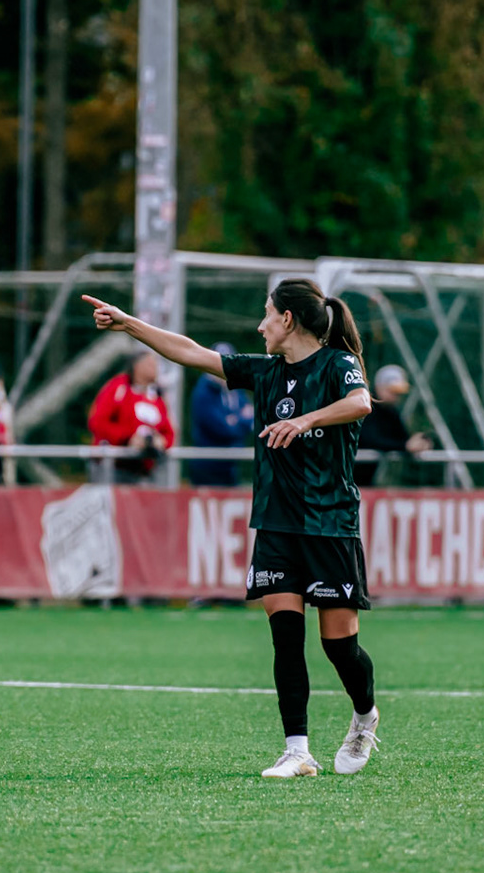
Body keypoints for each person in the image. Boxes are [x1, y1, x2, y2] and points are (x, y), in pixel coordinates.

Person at [84, 279, 381, 779]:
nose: (259, 324)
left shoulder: (337, 364)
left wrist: (305, 421)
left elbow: (361, 403)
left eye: (266, 314)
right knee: (285, 637)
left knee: (339, 647)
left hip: (332, 525)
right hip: (276, 524)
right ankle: (297, 751)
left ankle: (365, 715)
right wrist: (129, 324)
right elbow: (191, 353)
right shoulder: (263, 371)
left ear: (288, 320)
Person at [87, 350, 175, 483]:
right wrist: (128, 438)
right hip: (113, 467)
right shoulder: (118, 388)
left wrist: (161, 441)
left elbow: (169, 432)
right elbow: (97, 422)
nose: (156, 368)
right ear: (137, 366)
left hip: (144, 470)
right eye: (150, 364)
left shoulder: (156, 395)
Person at [355, 365, 433, 487]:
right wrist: (405, 446)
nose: (397, 397)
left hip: (364, 479)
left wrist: (419, 442)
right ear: (379, 387)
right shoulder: (365, 408)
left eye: (398, 393)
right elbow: (370, 440)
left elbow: (402, 437)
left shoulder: (391, 412)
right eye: (392, 391)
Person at [188, 342, 253, 486]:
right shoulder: (203, 391)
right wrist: (241, 420)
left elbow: (253, 420)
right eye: (219, 361)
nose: (223, 367)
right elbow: (222, 429)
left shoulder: (235, 387)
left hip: (231, 465)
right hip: (208, 466)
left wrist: (235, 421)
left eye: (227, 361)